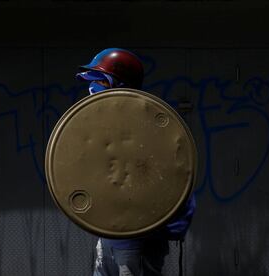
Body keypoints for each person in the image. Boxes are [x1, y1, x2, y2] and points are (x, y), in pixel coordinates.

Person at [76, 48, 196, 276]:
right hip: (108, 236)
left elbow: (175, 180)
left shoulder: (147, 127)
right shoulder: (103, 128)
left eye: (100, 80)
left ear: (119, 84)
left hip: (137, 239)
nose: (92, 87)